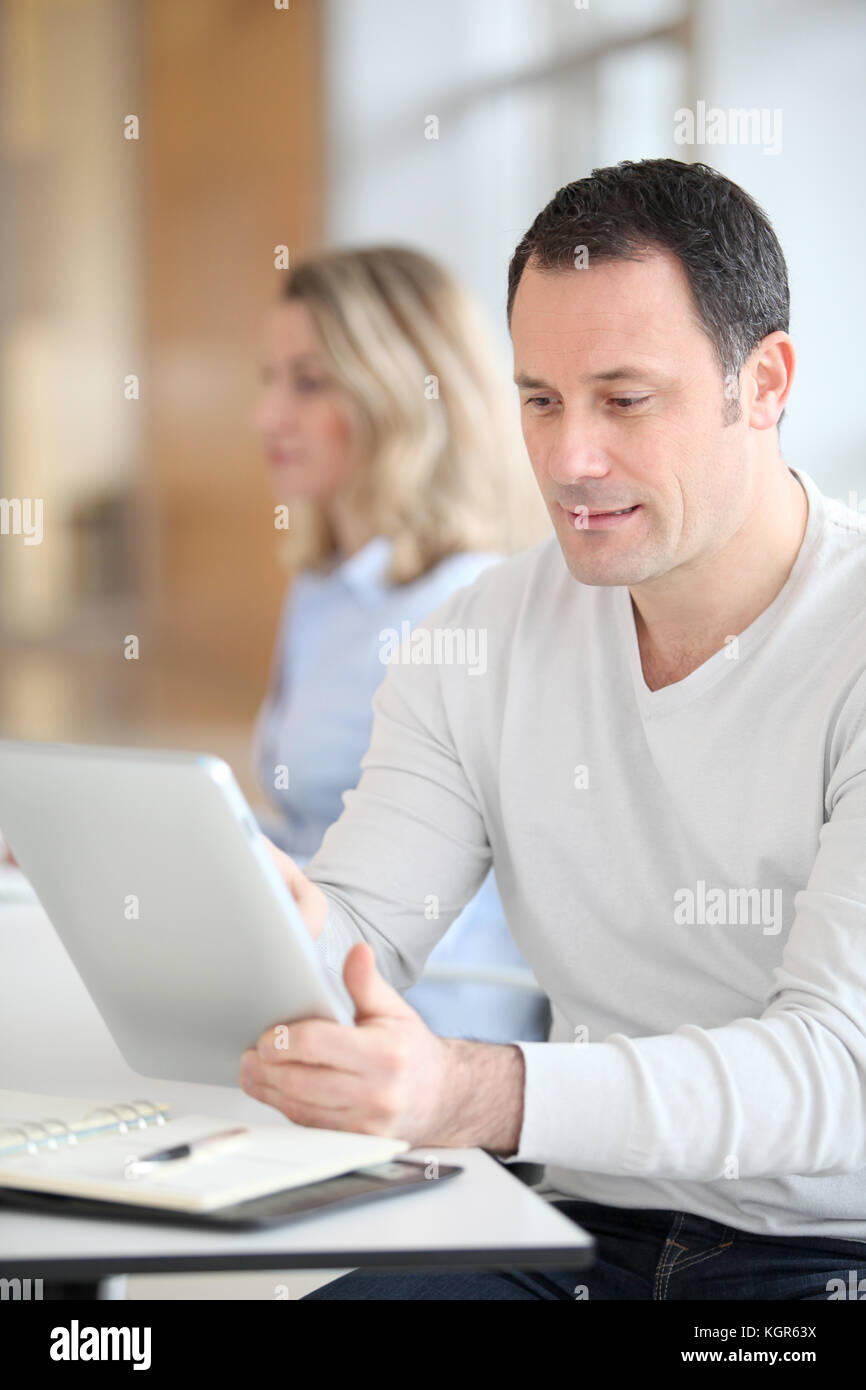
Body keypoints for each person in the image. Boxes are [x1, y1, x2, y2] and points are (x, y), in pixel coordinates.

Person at [243, 159, 866, 1299]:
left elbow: (836, 1073)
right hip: (582, 1224)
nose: (569, 460)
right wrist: (245, 919)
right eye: (539, 399)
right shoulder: (475, 637)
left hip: (826, 1247)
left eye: (624, 401)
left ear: (762, 382)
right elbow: (362, 932)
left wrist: (475, 1092)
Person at [249, 245, 550, 1044]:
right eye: (269, 378)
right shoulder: (324, 590)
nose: (268, 416)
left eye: (308, 383)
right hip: (306, 981)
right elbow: (310, 831)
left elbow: (418, 894)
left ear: (402, 395)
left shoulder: (465, 605)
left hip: (423, 1019)